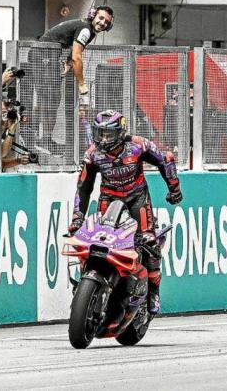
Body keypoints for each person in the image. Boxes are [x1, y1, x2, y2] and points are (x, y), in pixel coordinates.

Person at [67, 109, 183, 314]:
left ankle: (154, 292)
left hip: (137, 197)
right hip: (108, 199)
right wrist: (77, 217)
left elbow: (166, 159)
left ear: (120, 132)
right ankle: (85, 283)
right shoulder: (92, 155)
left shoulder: (138, 145)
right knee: (95, 241)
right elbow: (83, 187)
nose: (103, 139)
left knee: (149, 241)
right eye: (99, 133)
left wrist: (174, 189)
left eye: (108, 134)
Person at [23, 6, 114, 155]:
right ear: (93, 16)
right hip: (43, 54)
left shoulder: (87, 29)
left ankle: (42, 138)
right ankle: (36, 136)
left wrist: (68, 62)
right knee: (49, 98)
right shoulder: (85, 30)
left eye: (106, 21)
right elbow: (77, 57)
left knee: (51, 98)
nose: (102, 23)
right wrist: (82, 84)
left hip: (48, 54)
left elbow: (72, 53)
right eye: (101, 18)